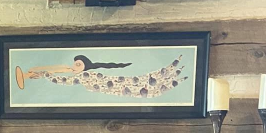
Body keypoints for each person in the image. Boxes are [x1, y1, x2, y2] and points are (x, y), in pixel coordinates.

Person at [14, 54, 187, 99]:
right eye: (75, 64)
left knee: (145, 85)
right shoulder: (88, 74)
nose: (73, 67)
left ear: (85, 65)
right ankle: (173, 74)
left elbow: (64, 81)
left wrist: (45, 74)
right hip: (116, 87)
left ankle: (173, 73)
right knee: (145, 85)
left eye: (77, 64)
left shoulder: (85, 76)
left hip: (117, 87)